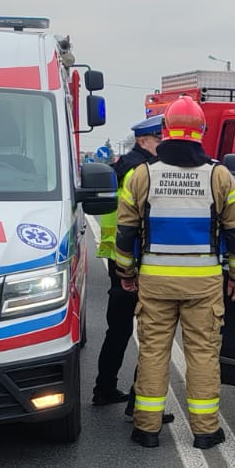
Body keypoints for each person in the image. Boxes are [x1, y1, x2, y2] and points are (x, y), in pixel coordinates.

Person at [115, 96, 235, 450]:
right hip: (203, 283)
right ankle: (205, 431)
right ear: (201, 133)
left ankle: (146, 428)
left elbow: (126, 232)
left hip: (155, 281)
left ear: (165, 133)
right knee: (203, 354)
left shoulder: (141, 175)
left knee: (153, 352)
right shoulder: (219, 175)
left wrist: (126, 271)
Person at [92, 115, 163, 408]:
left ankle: (104, 388)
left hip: (117, 259)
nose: (163, 144)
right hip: (138, 262)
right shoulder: (143, 171)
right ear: (144, 141)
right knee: (152, 331)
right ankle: (138, 402)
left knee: (118, 330)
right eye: (160, 139)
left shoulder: (121, 167)